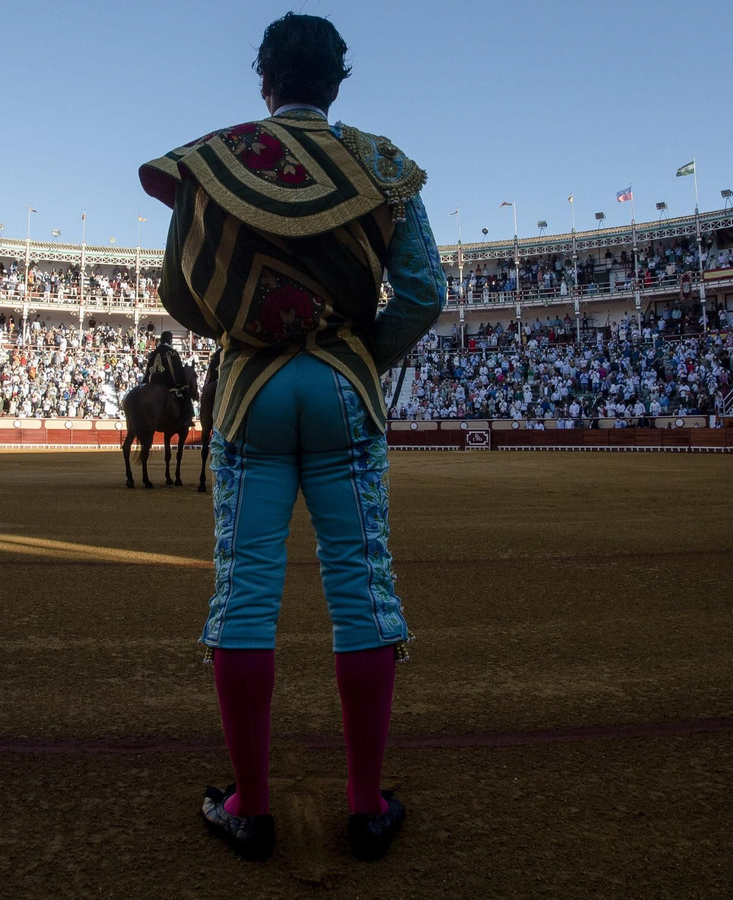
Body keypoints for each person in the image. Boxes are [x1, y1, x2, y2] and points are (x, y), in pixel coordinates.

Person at [140, 11, 443, 863]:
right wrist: (356, 354)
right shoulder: (383, 166)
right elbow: (422, 292)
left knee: (245, 592)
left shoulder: (217, 160)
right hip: (344, 388)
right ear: (336, 84)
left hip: (251, 391)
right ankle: (366, 806)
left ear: (265, 82)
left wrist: (252, 329)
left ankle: (251, 806)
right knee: (361, 588)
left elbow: (180, 293)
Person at [142, 330, 188, 396]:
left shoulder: (153, 353)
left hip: (150, 380)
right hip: (167, 382)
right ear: (170, 340)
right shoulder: (172, 353)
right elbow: (178, 370)